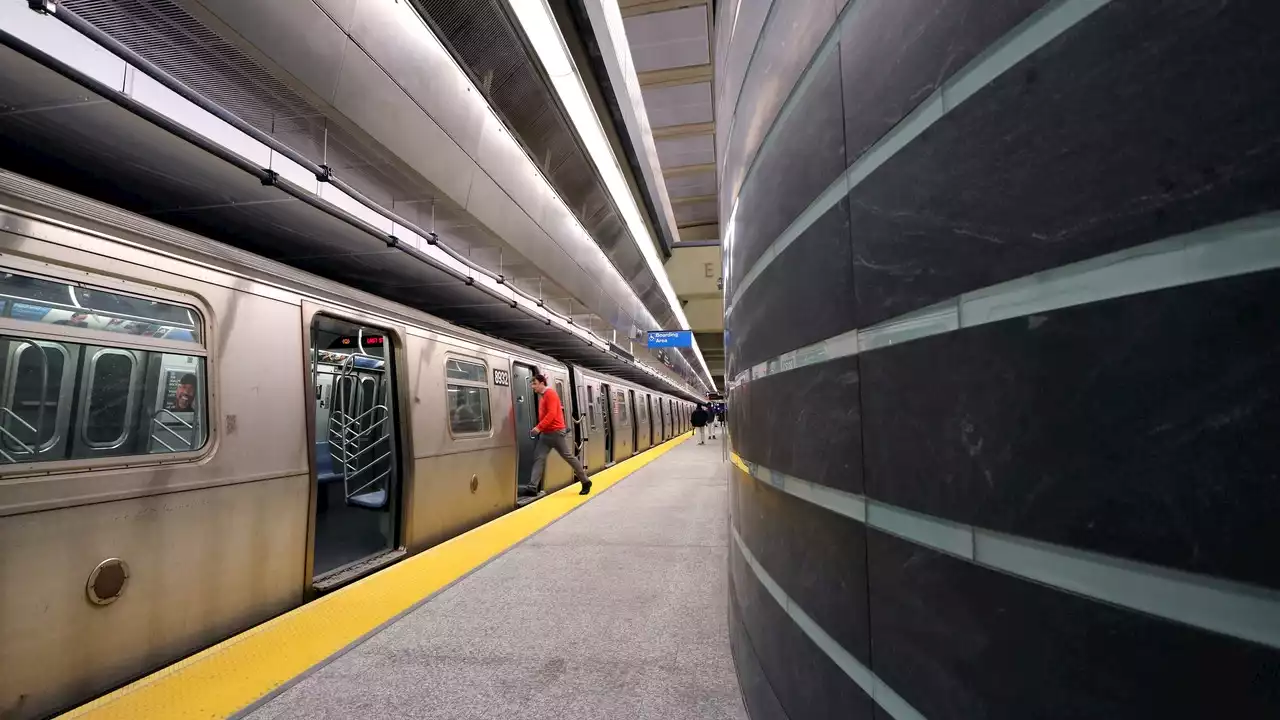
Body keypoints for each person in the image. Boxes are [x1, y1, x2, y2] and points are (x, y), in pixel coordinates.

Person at [526, 373, 592, 496]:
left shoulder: (550, 394)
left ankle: (585, 481)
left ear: (542, 383)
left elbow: (551, 414)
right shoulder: (542, 397)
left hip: (555, 433)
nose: (532, 386)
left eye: (534, 384)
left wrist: (538, 428)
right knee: (539, 458)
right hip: (546, 434)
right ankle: (532, 486)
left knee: (568, 457)